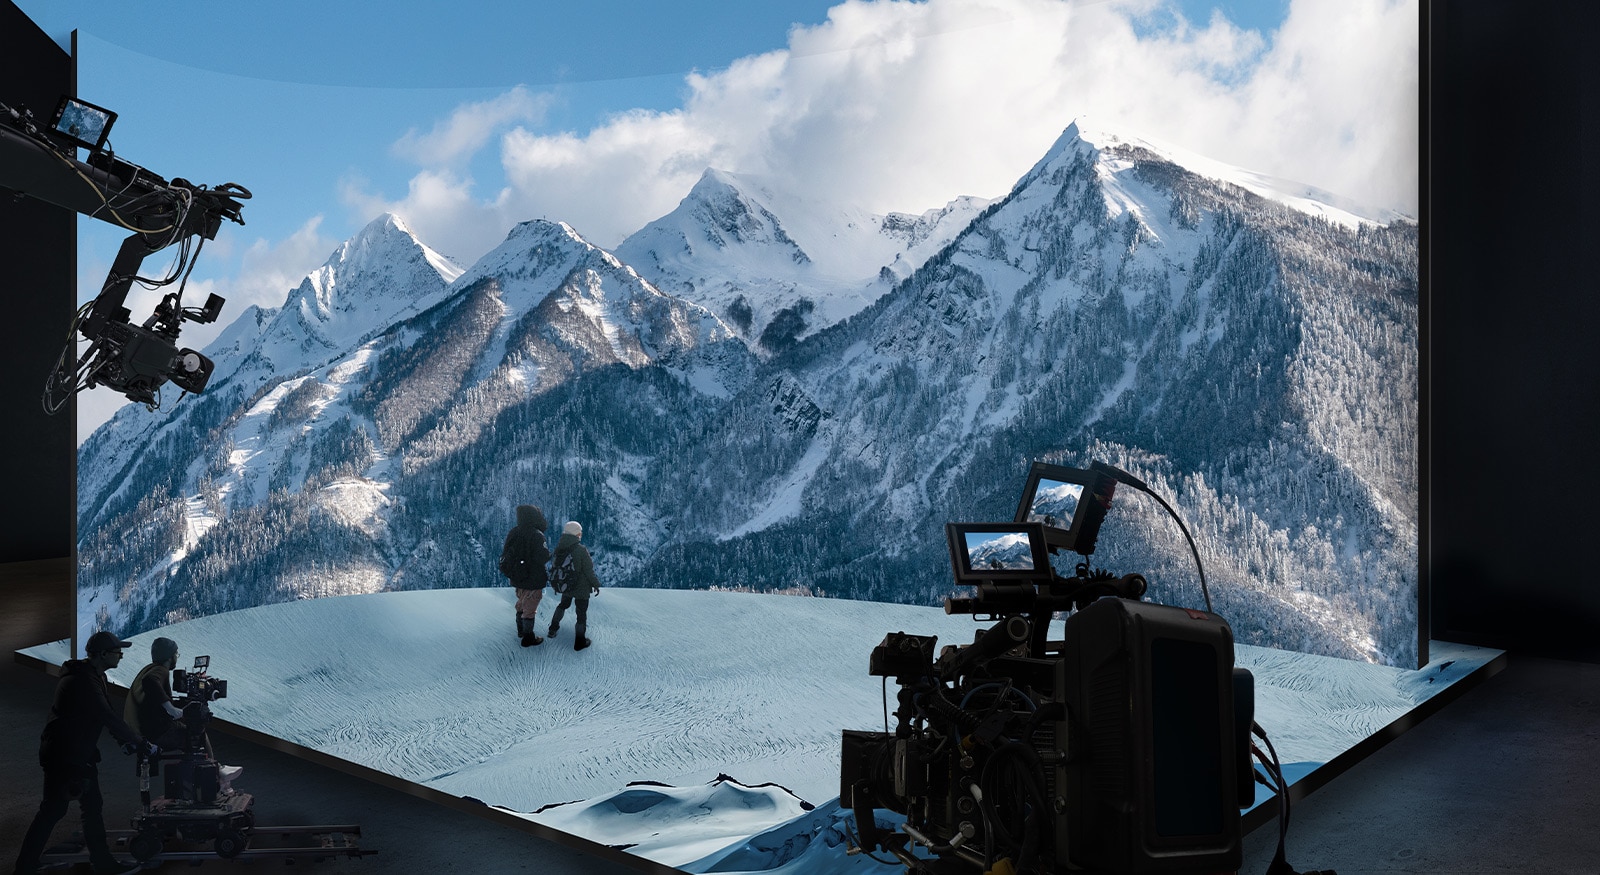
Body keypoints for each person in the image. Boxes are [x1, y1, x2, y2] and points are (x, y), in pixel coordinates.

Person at [12, 630, 150, 875]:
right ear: (103, 654)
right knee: (55, 810)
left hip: (76, 754)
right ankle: (25, 868)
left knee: (88, 807)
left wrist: (123, 742)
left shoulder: (93, 676)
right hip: (65, 757)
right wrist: (140, 743)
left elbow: (101, 715)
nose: (121, 655)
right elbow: (107, 716)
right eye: (118, 652)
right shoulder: (83, 681)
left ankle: (100, 862)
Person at [122, 637, 241, 794]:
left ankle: (212, 773)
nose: (176, 658)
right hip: (160, 732)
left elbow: (151, 698)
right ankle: (218, 776)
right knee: (198, 734)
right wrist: (171, 708)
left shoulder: (149, 668)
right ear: (169, 656)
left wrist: (175, 705)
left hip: (148, 730)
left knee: (191, 730)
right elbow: (150, 682)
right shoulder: (159, 670)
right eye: (176, 654)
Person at [500, 504, 552, 647]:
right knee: (530, 607)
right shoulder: (537, 535)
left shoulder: (514, 532)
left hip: (517, 577)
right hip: (533, 578)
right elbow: (543, 557)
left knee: (521, 603)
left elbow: (506, 553)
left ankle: (520, 631)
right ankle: (528, 638)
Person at [547, 520, 601, 651]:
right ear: (577, 534)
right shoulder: (581, 550)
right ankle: (580, 641)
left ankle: (552, 629)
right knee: (581, 614)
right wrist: (596, 584)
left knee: (563, 605)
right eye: (580, 533)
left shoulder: (560, 548)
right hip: (581, 588)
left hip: (567, 585)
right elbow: (588, 570)